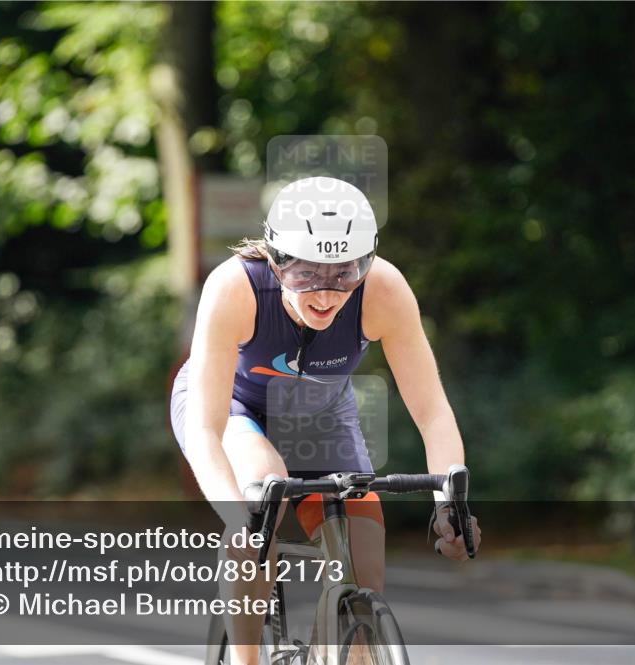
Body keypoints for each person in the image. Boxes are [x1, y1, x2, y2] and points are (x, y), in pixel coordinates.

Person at [170, 176, 480, 665]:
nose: (325, 292)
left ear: (367, 263)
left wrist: (450, 507)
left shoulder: (383, 291)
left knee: (364, 564)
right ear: (276, 259)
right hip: (232, 406)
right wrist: (240, 521)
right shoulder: (235, 288)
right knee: (261, 494)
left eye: (345, 272)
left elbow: (433, 413)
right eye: (306, 273)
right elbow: (206, 430)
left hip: (320, 412)